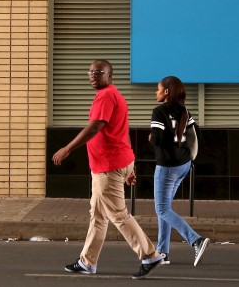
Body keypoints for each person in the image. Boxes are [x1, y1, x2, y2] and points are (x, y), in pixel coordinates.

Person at [52, 59, 164, 279]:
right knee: (97, 214)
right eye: (90, 72)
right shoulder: (113, 95)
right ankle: (87, 262)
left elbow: (95, 127)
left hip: (108, 166)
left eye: (99, 72)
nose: (93, 75)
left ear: (109, 75)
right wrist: (129, 166)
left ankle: (150, 254)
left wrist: (68, 148)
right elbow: (121, 131)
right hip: (115, 162)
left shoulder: (106, 96)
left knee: (118, 214)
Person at [148, 75, 210, 266]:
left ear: (166, 91)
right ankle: (162, 252)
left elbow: (157, 139)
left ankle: (196, 240)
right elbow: (196, 134)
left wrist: (152, 137)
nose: (156, 92)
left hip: (167, 167)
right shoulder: (184, 110)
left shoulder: (159, 111)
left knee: (162, 208)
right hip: (183, 165)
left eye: (158, 89)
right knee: (164, 208)